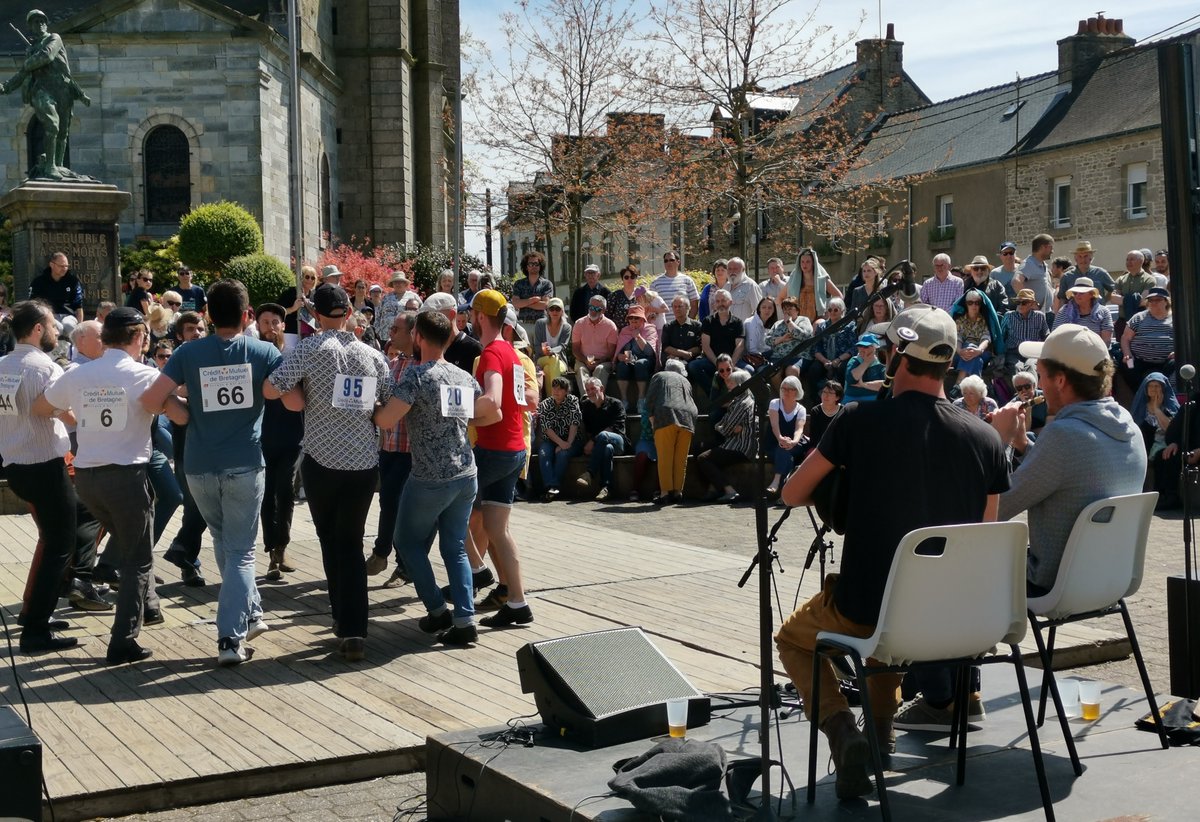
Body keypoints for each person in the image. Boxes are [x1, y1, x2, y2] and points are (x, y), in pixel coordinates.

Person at [776, 304, 1009, 798]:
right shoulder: (987, 439)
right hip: (954, 622)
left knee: (796, 638)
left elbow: (792, 494)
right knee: (884, 630)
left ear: (897, 358)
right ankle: (880, 738)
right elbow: (985, 535)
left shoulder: (858, 420)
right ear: (948, 366)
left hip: (871, 612)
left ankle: (844, 732)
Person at [141, 280, 282, 666]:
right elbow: (285, 394)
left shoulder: (188, 352)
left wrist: (181, 411)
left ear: (206, 314)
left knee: (223, 541)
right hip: (245, 463)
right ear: (246, 315)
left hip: (200, 467)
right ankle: (229, 638)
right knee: (240, 552)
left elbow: (152, 399)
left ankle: (251, 612)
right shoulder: (264, 350)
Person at [39, 307, 188, 664]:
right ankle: (122, 641)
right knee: (137, 557)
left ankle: (149, 606)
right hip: (125, 476)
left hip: (88, 477)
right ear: (139, 337)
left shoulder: (79, 373)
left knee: (135, 539)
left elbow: (43, 407)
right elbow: (180, 416)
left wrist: (77, 416)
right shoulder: (143, 374)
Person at [264, 284, 392, 662]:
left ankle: (343, 618)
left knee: (329, 538)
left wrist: (297, 396)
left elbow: (272, 389)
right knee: (351, 542)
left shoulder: (307, 349)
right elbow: (387, 399)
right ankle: (352, 627)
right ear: (349, 309)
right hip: (364, 461)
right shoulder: (372, 354)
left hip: (322, 460)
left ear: (314, 315)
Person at [991, 323, 1145, 597]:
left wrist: (998, 441)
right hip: (1110, 577)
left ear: (1060, 380)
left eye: (1041, 376)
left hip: (1053, 582)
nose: (1038, 387)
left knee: (959, 556)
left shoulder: (1062, 436)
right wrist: (1024, 445)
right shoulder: (1130, 427)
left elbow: (992, 512)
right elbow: (1070, 472)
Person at [374, 310, 498, 647]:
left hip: (429, 475)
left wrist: (372, 403)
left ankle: (436, 609)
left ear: (418, 337)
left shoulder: (417, 377)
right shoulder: (462, 376)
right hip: (464, 472)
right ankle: (464, 619)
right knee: (455, 547)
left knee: (407, 542)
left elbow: (386, 420)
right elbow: (493, 412)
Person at [0, 301, 78, 653]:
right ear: (36, 330)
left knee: (54, 539)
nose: (57, 331)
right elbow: (69, 416)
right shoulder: (47, 369)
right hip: (45, 465)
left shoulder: (2, 366)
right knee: (60, 544)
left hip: (15, 464)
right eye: (51, 325)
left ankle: (36, 614)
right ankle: (34, 630)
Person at [468, 290, 537, 628]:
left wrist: (464, 416)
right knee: (497, 528)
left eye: (472, 313)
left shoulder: (493, 354)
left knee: (446, 509)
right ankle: (517, 603)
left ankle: (478, 573)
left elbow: (492, 403)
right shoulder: (511, 352)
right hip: (514, 450)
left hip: (493, 450)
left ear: (480, 316)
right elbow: (521, 400)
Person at [0, 10, 91, 178]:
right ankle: (50, 167)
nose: (40, 23)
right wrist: (6, 87)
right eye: (35, 22)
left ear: (46, 24)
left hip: (63, 90)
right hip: (42, 90)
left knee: (63, 131)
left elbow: (47, 55)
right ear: (31, 27)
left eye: (42, 21)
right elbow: (23, 73)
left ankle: (58, 165)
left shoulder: (54, 38)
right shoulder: (31, 50)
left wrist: (81, 94)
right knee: (52, 125)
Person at [367, 310, 417, 587]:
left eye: (396, 329)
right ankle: (388, 554)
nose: (391, 333)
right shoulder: (392, 363)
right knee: (388, 502)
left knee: (398, 506)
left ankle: (391, 557)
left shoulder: (419, 366)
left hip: (410, 450)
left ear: (412, 333)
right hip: (388, 445)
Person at [255, 303, 303, 582]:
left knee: (285, 491)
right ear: (258, 326)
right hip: (260, 435)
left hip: (291, 434)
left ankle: (281, 548)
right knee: (266, 493)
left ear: (283, 326)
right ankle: (271, 548)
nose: (271, 327)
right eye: (265, 322)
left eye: (275, 322)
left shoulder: (294, 355)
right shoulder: (253, 356)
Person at [696, 370, 757, 503]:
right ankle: (712, 489)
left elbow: (725, 430)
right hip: (734, 442)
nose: (728, 386)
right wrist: (726, 427)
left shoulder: (742, 403)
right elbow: (728, 427)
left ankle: (730, 491)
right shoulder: (741, 400)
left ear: (741, 385)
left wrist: (721, 427)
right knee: (699, 448)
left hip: (740, 447)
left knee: (703, 459)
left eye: (732, 383)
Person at [644, 358, 697, 505]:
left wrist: (652, 418)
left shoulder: (659, 376)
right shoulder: (686, 381)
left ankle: (665, 493)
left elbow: (649, 400)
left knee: (665, 457)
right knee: (681, 459)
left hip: (666, 414)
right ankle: (678, 492)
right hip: (689, 416)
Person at [575, 377, 628, 501]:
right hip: (603, 445)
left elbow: (616, 428)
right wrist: (590, 442)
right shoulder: (587, 406)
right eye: (587, 390)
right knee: (606, 449)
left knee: (604, 436)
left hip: (619, 442)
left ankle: (590, 473)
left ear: (602, 389)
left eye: (593, 388)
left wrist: (592, 441)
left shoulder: (616, 404)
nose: (590, 392)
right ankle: (606, 488)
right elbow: (588, 430)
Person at [1131, 373, 1178, 500]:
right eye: (1150, 386)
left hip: (1164, 445)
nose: (1154, 389)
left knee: (1163, 457)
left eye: (1157, 386)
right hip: (1145, 444)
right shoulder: (1141, 407)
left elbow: (1171, 430)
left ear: (1163, 388)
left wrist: (1157, 409)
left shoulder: (1169, 407)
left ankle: (1162, 496)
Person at [535, 376, 582, 500]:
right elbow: (546, 428)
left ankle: (551, 488)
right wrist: (560, 443)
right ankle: (552, 486)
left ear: (566, 391)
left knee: (563, 454)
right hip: (552, 439)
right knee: (544, 453)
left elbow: (574, 423)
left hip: (571, 439)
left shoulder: (573, 400)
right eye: (554, 388)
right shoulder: (545, 404)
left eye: (560, 389)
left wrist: (567, 443)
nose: (556, 391)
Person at [691, 289, 744, 397]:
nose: (720, 304)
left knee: (749, 370)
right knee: (693, 366)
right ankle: (714, 395)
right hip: (712, 360)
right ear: (714, 304)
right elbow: (705, 346)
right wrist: (718, 364)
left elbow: (740, 345)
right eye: (718, 301)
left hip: (732, 361)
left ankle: (739, 399)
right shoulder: (707, 321)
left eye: (723, 301)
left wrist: (730, 365)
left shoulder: (738, 322)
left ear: (730, 302)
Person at [1119, 287, 1173, 390]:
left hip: (1166, 361)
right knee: (1128, 366)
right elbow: (1125, 338)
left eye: (1158, 300)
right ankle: (1141, 396)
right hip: (1140, 360)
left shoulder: (1175, 319)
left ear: (1166, 302)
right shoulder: (1139, 317)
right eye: (1151, 300)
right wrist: (1127, 354)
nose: (1153, 303)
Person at [571, 293, 618, 396]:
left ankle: (597, 398)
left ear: (604, 310)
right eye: (591, 307)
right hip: (583, 359)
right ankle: (586, 400)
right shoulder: (579, 323)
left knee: (600, 369)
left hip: (604, 361)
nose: (593, 310)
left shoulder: (610, 326)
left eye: (597, 309)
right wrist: (585, 361)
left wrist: (599, 362)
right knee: (581, 369)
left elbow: (611, 353)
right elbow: (575, 349)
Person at [612, 305, 657, 411]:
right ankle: (624, 400)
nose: (633, 320)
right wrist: (620, 356)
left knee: (640, 364)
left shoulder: (650, 328)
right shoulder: (625, 331)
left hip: (646, 361)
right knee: (622, 366)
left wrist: (638, 337)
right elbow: (619, 352)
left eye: (636, 318)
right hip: (630, 361)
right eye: (630, 318)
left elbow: (649, 352)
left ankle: (641, 399)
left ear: (643, 319)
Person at [767, 376, 806, 494]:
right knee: (785, 453)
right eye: (784, 389)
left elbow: (799, 429)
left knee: (785, 449)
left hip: (793, 443)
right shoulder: (774, 403)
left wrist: (793, 442)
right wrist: (780, 438)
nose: (787, 392)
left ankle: (776, 480)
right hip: (773, 443)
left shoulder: (801, 409)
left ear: (797, 391)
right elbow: (774, 425)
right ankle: (785, 493)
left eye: (790, 389)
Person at [999, 289, 1049, 379]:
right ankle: (1018, 392)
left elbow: (1046, 336)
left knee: (1031, 366)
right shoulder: (1009, 316)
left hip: (1032, 352)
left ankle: (1032, 392)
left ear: (1032, 304)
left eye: (1024, 302)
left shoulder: (1039, 316)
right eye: (1018, 302)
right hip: (1013, 352)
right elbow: (1001, 336)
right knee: (1016, 368)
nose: (1020, 305)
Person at [27, 252, 83, 331]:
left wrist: (80, 328)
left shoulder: (73, 281)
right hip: (48, 315)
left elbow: (78, 307)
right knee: (57, 328)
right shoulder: (39, 282)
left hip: (68, 315)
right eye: (61, 266)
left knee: (68, 325)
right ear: (52, 265)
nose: (64, 269)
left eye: (66, 266)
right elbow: (33, 304)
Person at [1055, 240, 1115, 310]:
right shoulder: (1067, 276)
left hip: (1097, 315)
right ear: (1075, 258)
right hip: (1074, 317)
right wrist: (1060, 317)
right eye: (1080, 256)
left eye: (1086, 256)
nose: (1083, 259)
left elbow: (1113, 289)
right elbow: (1062, 299)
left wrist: (1103, 301)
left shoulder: (1101, 273)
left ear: (1091, 257)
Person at [786, 248, 841, 323]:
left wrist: (829, 312)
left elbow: (839, 296)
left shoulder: (821, 280)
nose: (804, 264)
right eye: (802, 262)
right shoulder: (794, 281)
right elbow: (781, 298)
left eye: (808, 262)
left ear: (813, 263)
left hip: (818, 321)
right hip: (799, 322)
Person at [1054, 278, 1113, 345]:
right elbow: (1055, 335)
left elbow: (1106, 340)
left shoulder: (1104, 312)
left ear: (1091, 294)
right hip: (1068, 352)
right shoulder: (1064, 311)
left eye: (1081, 293)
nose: (1077, 295)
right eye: (1075, 293)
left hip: (1096, 352)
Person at [532, 297, 572, 397]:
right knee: (552, 360)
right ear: (547, 311)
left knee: (548, 368)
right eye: (551, 308)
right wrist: (545, 352)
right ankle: (558, 398)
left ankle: (552, 400)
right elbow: (536, 346)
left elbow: (563, 346)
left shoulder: (567, 327)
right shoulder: (540, 324)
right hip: (541, 359)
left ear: (562, 311)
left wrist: (552, 351)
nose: (554, 311)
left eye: (557, 309)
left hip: (560, 362)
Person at [511, 250, 553, 337]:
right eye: (530, 264)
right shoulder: (519, 284)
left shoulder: (547, 284)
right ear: (526, 266)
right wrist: (532, 300)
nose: (533, 266)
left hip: (541, 323)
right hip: (523, 324)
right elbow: (515, 303)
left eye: (536, 264)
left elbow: (545, 304)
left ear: (540, 266)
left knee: (540, 350)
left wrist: (524, 303)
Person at [278, 265, 318, 351]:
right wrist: (293, 308)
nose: (310, 280)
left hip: (309, 335)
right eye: (307, 277)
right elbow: (278, 312)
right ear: (301, 278)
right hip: (291, 334)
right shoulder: (290, 292)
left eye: (313, 278)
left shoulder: (314, 296)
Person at [649, 251, 699, 317]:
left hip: (683, 325)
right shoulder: (655, 283)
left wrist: (688, 324)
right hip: (662, 326)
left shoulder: (687, 281)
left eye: (671, 260)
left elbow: (694, 305)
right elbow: (650, 306)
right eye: (666, 261)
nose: (668, 262)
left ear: (678, 262)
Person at [842, 333, 886, 404]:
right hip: (852, 399)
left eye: (866, 346)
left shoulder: (881, 363)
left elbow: (884, 385)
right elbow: (851, 380)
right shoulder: (854, 361)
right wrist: (866, 362)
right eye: (860, 346)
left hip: (873, 399)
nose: (861, 349)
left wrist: (862, 384)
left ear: (874, 348)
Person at [1016, 234, 1055, 311]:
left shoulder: (1043, 265)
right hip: (1030, 316)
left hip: (1043, 314)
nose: (1052, 251)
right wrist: (1030, 303)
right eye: (1051, 247)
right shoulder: (1029, 264)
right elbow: (1016, 282)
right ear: (1043, 247)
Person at [725, 257, 762, 322]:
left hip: (744, 329)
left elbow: (759, 311)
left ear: (743, 269)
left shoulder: (751, 286)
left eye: (735, 269)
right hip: (727, 329)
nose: (732, 272)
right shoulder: (726, 287)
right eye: (729, 269)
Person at [607, 264, 640, 329]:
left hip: (638, 334)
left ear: (636, 278)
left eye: (632, 276)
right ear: (622, 279)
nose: (629, 279)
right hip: (619, 334)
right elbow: (608, 316)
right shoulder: (614, 296)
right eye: (626, 277)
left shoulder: (641, 295)